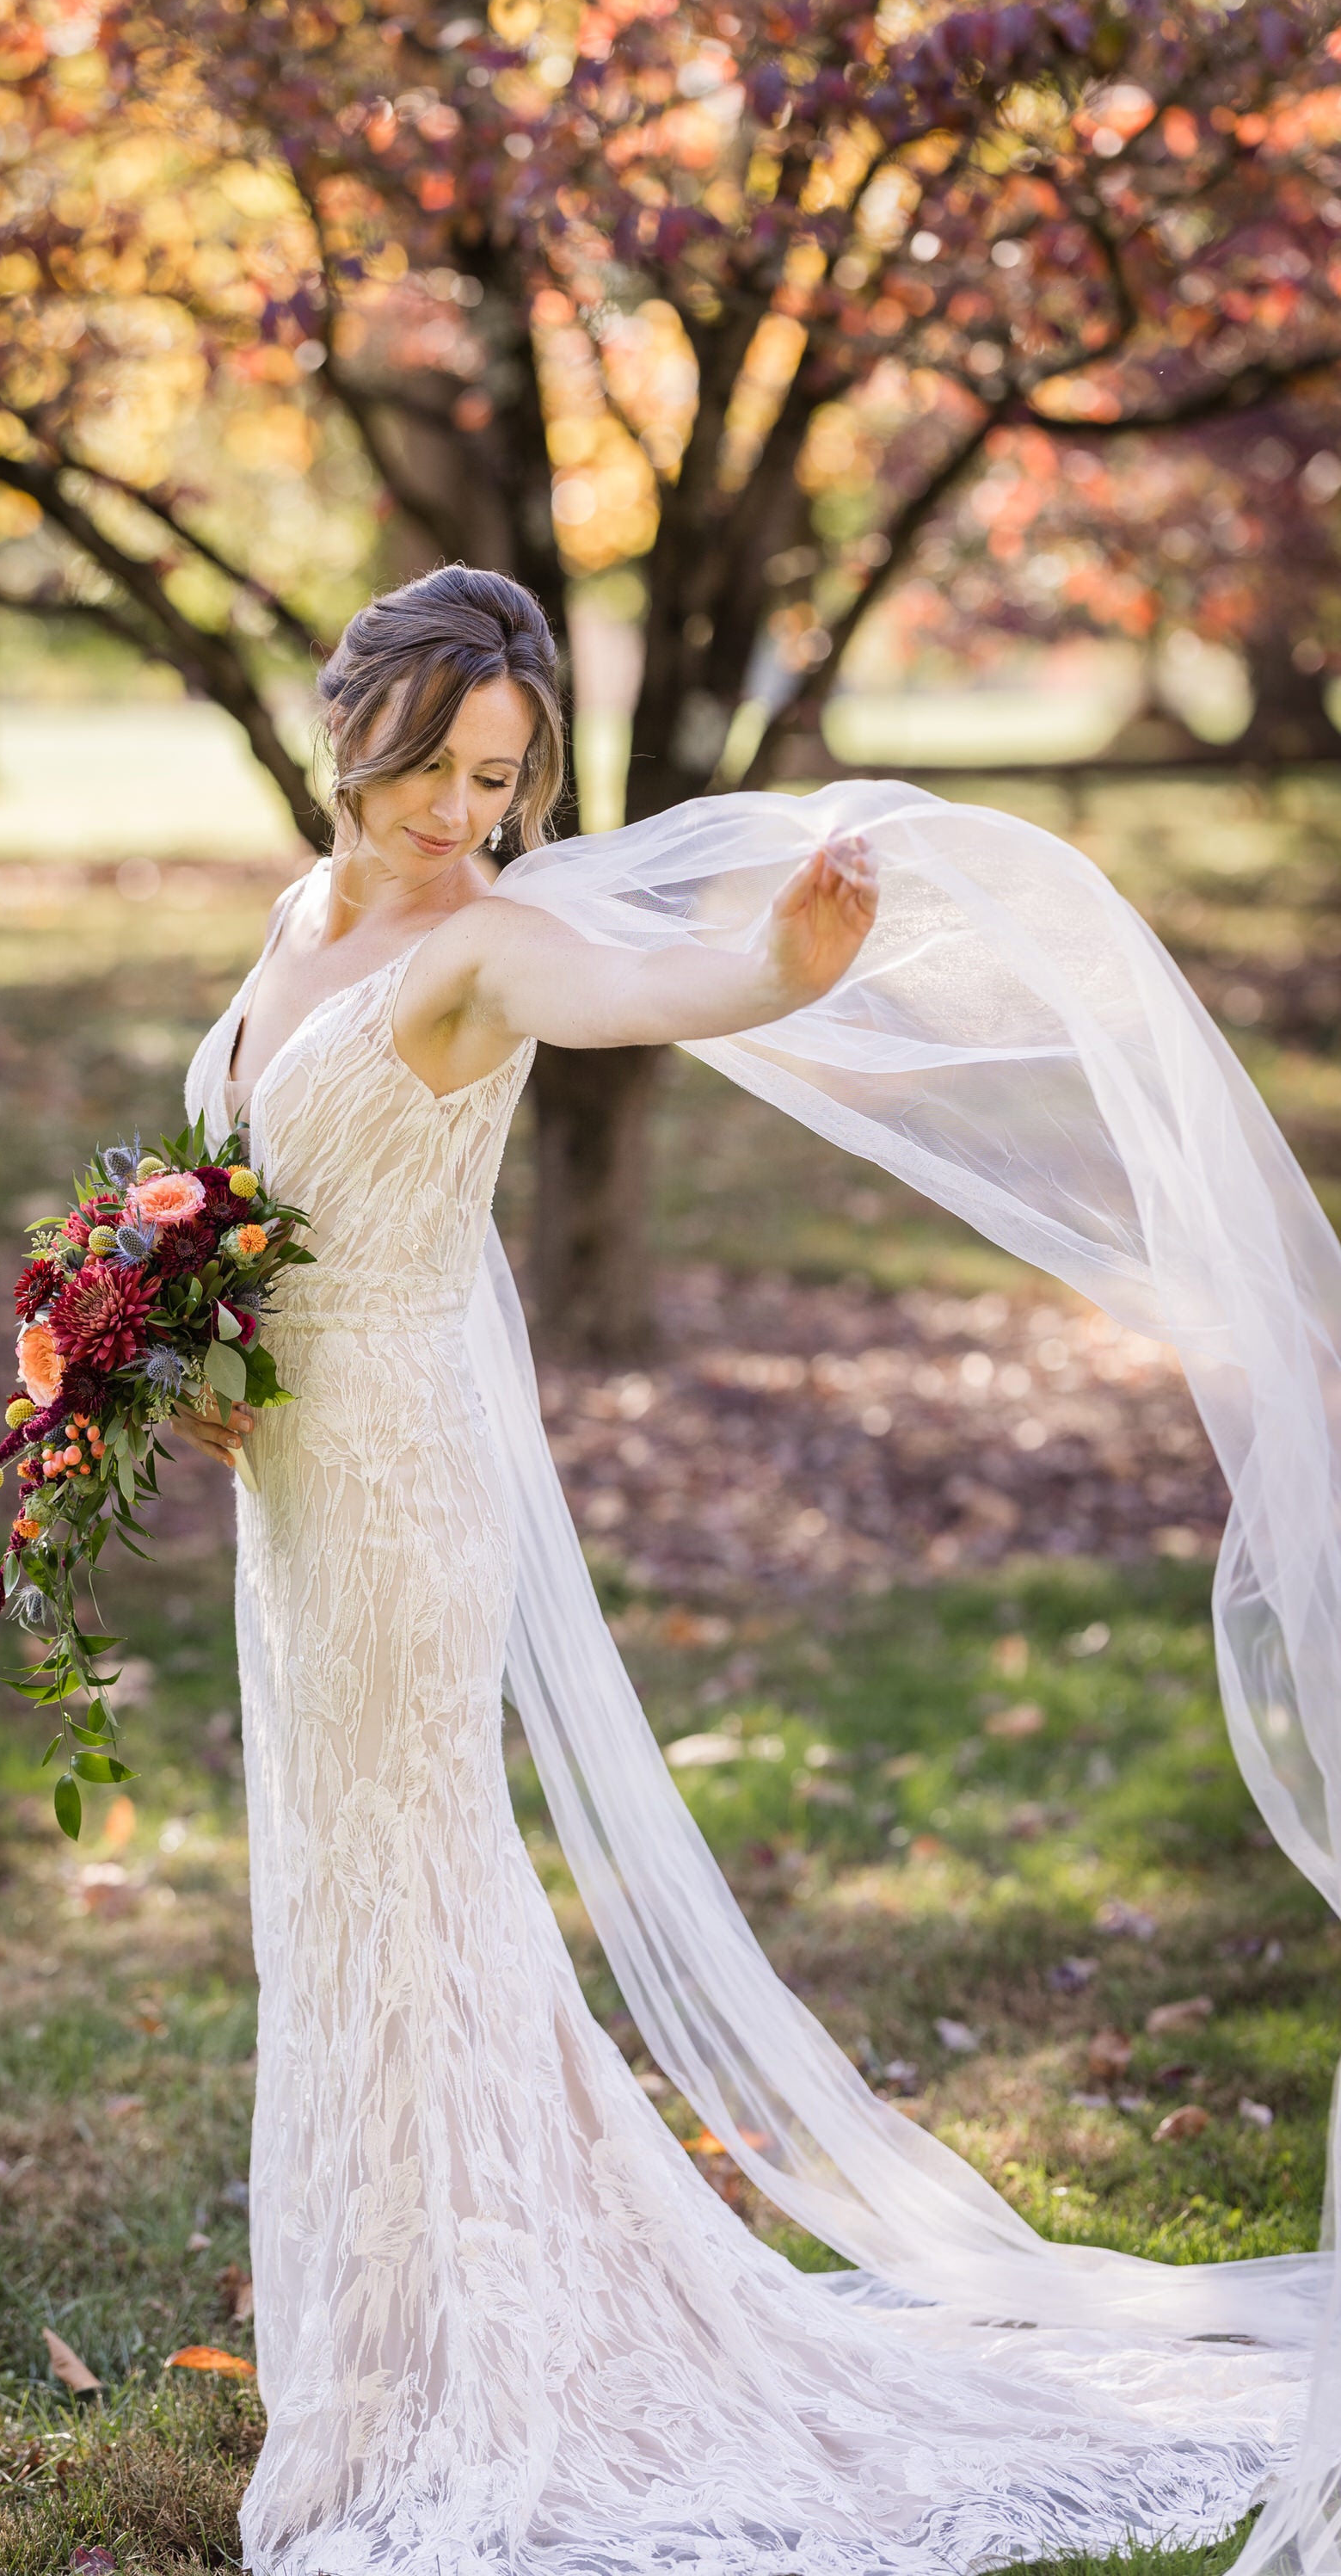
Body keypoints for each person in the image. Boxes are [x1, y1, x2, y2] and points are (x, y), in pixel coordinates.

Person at [173, 566, 1315, 2576]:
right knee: (367, 1896)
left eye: (500, 779)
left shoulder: (489, 946)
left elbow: (660, 994)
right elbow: (267, 1203)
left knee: (406, 1889)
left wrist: (780, 966)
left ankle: (465, 2352)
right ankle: (415, 2318)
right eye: (433, 767)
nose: (461, 811)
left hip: (403, 1509)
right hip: (297, 1492)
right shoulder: (301, 923)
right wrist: (183, 1364)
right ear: (352, 732)